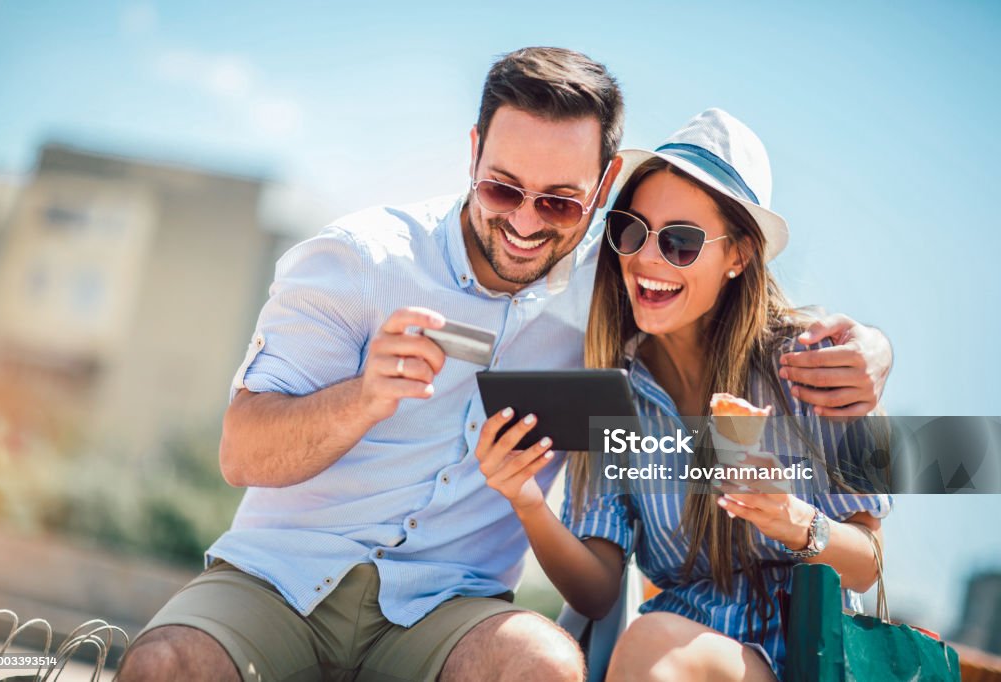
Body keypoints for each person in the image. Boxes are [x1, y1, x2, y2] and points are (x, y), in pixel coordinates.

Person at [117, 49, 892, 682]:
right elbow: (240, 452)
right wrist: (367, 398)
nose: (525, 220)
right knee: (167, 666)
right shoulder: (367, 264)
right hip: (284, 580)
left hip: (458, 614)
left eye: (559, 202)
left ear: (596, 194)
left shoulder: (645, 308)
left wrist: (873, 356)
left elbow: (877, 527)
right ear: (473, 154)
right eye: (501, 187)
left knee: (556, 665)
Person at [474, 108, 891, 681]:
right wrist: (525, 499)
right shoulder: (612, 392)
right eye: (632, 230)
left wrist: (791, 518)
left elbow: (869, 564)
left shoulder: (814, 366)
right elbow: (597, 591)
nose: (646, 258)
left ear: (739, 255)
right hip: (662, 653)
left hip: (802, 659)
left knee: (652, 645)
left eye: (681, 242)